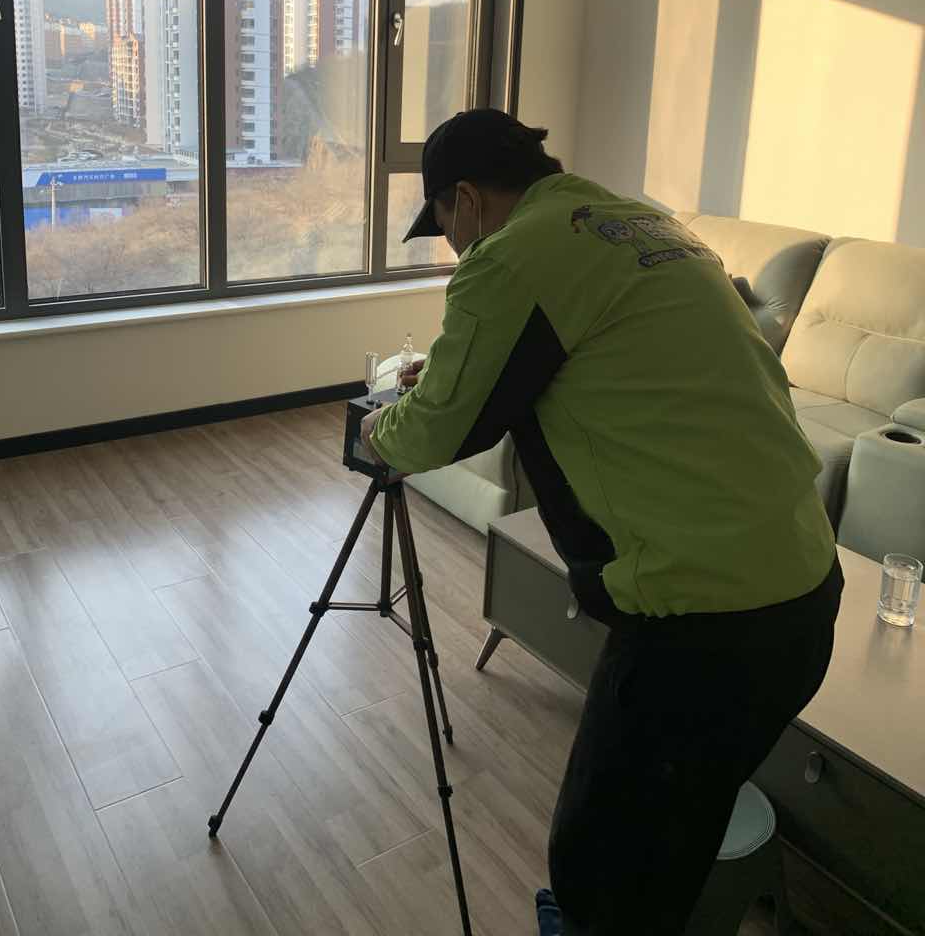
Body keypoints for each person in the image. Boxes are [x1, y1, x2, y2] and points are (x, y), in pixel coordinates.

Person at [360, 108, 842, 936]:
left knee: (597, 859)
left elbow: (438, 430)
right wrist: (446, 371)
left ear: (466, 200)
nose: (454, 247)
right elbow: (600, 351)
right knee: (676, 826)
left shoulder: (511, 255)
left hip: (704, 622)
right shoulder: (643, 223)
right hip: (805, 584)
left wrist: (377, 431)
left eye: (444, 226)